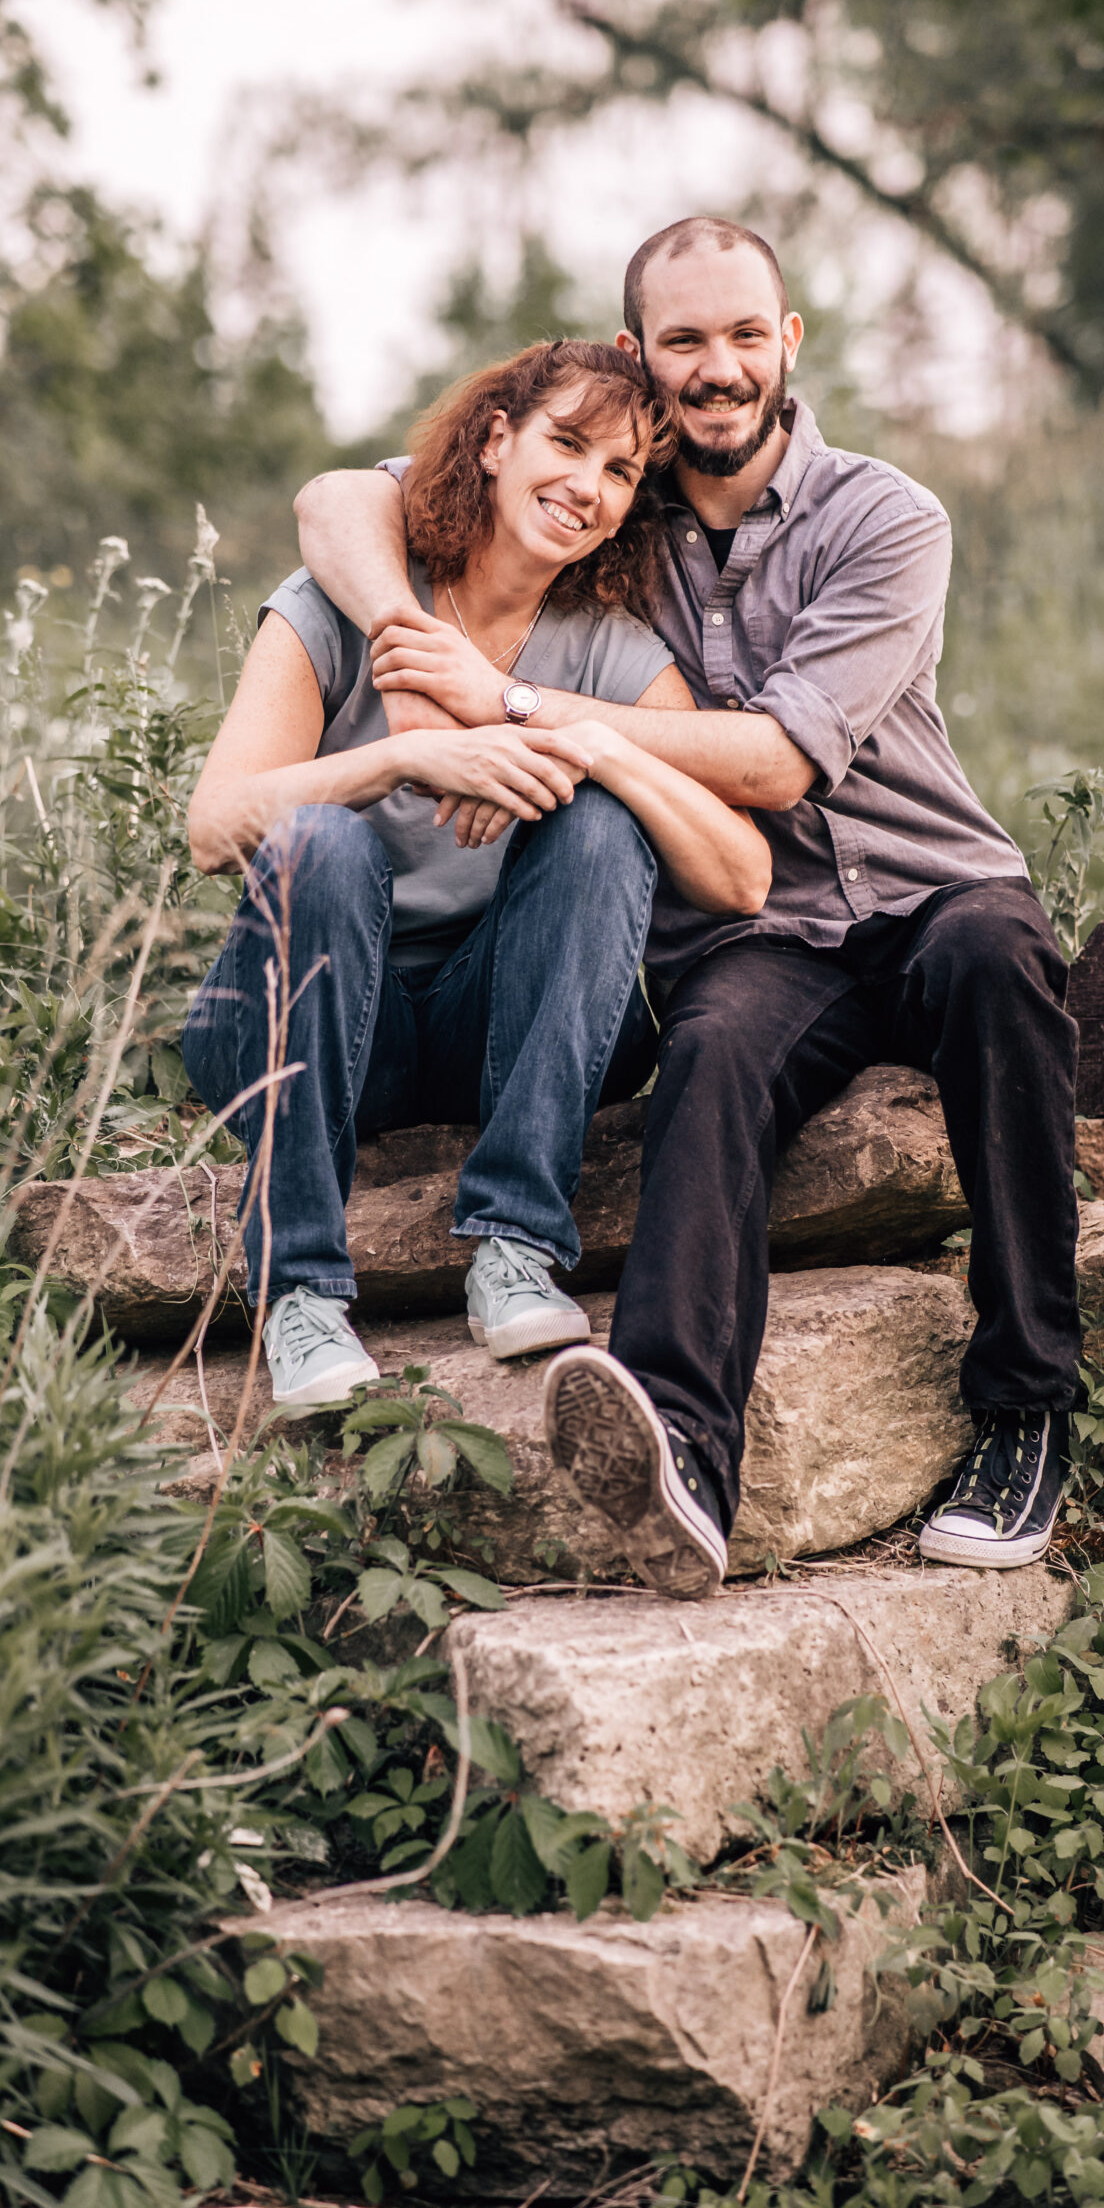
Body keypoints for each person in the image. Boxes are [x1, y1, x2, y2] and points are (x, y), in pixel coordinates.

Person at [293, 221, 1080, 1598]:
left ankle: (1024, 1410)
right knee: (707, 1059)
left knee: (1000, 957)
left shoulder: (883, 517)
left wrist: (525, 711)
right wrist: (405, 659)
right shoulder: (610, 501)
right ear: (641, 365)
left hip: (926, 892)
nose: (716, 369)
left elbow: (777, 759)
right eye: (681, 344)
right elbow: (340, 498)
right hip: (751, 930)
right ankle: (678, 1451)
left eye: (740, 336)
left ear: (788, 344)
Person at [182, 337, 770, 1413]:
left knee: (604, 821)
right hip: (303, 1025)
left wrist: (593, 747)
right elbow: (214, 827)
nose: (587, 487)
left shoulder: (607, 651)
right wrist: (407, 755)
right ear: (497, 441)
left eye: (620, 472)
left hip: (482, 1033)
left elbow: (741, 872)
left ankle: (513, 1247)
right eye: (569, 445)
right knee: (325, 838)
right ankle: (301, 1296)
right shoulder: (341, 601)